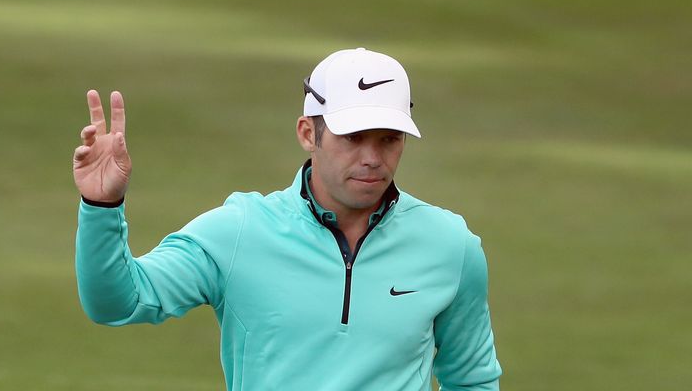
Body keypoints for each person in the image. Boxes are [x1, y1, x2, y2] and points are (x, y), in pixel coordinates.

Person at [73, 48, 502, 390]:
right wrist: (101, 208)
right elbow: (117, 303)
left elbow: (472, 380)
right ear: (306, 133)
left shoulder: (449, 245)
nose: (372, 159)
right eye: (352, 138)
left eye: (389, 140)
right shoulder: (239, 231)